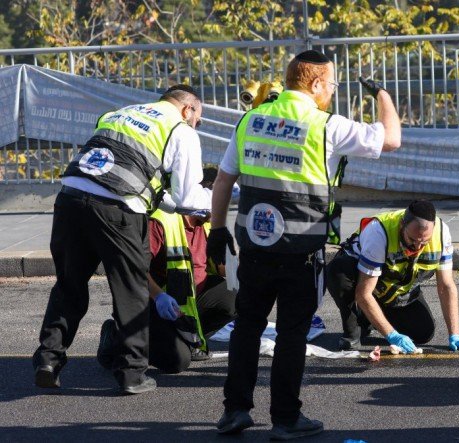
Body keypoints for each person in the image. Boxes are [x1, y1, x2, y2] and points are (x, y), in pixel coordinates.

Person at [206, 50, 401, 439]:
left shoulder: (250, 120)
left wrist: (216, 230)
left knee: (247, 327)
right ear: (314, 84)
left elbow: (224, 180)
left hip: (255, 246)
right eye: (331, 84)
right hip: (300, 250)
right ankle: (286, 418)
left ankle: (235, 411)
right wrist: (381, 94)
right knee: (292, 334)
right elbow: (392, 137)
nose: (332, 91)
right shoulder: (325, 125)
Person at [32, 85, 211, 395]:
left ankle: (48, 360)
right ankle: (131, 373)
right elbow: (187, 198)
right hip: (118, 209)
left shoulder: (119, 115)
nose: (197, 125)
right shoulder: (180, 131)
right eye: (199, 119)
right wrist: (220, 198)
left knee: (69, 285)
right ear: (188, 110)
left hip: (71, 198)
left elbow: (137, 175)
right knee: (131, 290)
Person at [96, 168, 236, 374]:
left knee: (238, 297)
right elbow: (133, 268)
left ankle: (188, 339)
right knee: (176, 362)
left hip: (187, 302)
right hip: (154, 305)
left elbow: (222, 267)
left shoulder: (207, 223)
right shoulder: (161, 221)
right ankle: (117, 336)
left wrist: (240, 268)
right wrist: (159, 296)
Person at [327, 200, 459, 353]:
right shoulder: (379, 232)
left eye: (424, 242)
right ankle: (355, 328)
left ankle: (372, 317)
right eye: (412, 240)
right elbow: (363, 294)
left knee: (422, 333)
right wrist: (392, 335)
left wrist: (455, 334)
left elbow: (446, 286)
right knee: (339, 272)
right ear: (402, 225)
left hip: (396, 288)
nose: (417, 247)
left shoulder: (442, 233)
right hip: (363, 282)